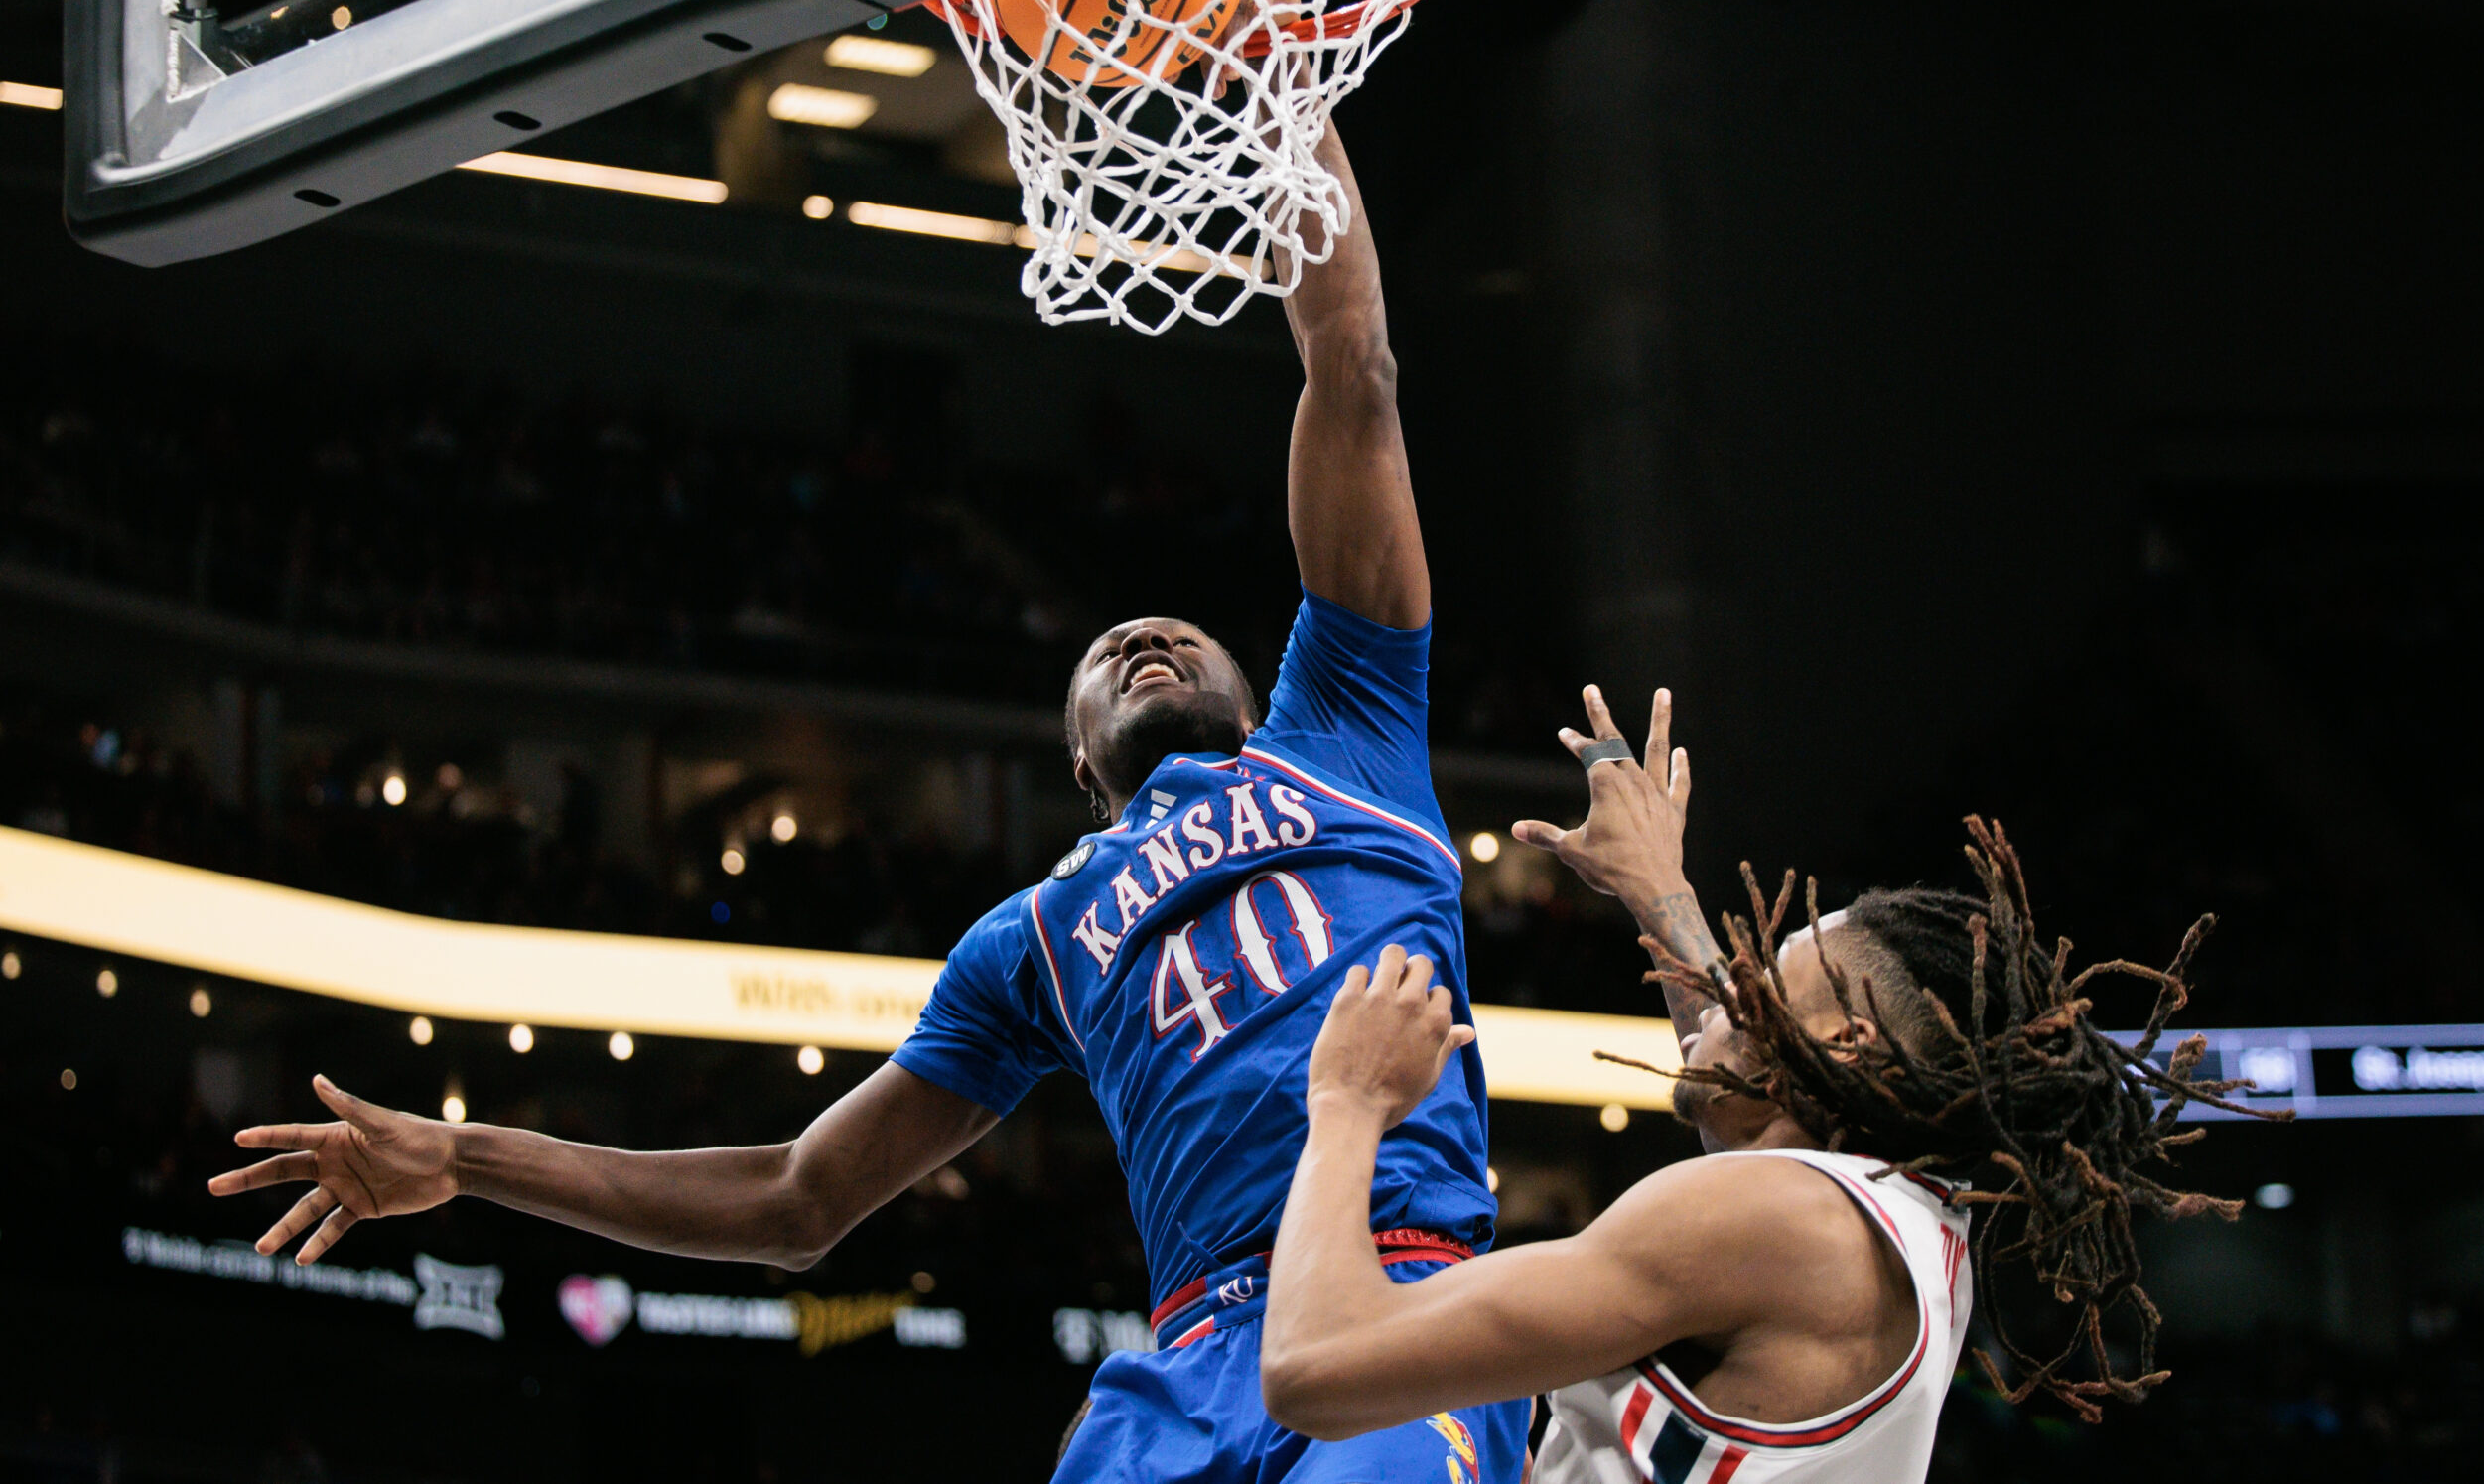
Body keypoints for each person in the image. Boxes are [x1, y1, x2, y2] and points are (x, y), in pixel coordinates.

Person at [207, 111, 1526, 1484]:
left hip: (1400, 1295)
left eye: (1178, 634)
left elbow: (1352, 366)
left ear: (1259, 697)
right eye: (1103, 654)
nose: (1143, 637)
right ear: (1081, 766)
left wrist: (1284, 96)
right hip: (1186, 1361)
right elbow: (798, 1197)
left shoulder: (1349, 733)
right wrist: (469, 1156)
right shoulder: (1031, 941)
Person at [1261, 686, 2280, 1484]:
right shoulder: (1899, 1227)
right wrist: (1657, 892)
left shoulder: (1777, 1219)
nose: (1720, 994)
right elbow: (1739, 1063)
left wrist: (1346, 1101)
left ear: (1839, 1048)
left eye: (1765, 976)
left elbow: (1318, 1364)